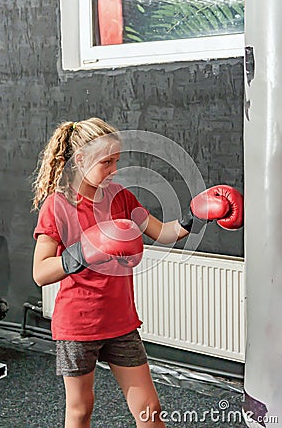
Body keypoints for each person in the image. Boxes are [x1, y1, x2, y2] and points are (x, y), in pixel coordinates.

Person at [32, 117, 243, 428]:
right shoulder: (58, 206)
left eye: (117, 161)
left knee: (149, 408)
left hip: (120, 322)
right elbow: (40, 272)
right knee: (80, 410)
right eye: (106, 162)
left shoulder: (121, 196)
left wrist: (193, 217)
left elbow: (163, 232)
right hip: (78, 326)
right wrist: (83, 252)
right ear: (80, 160)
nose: (113, 170)